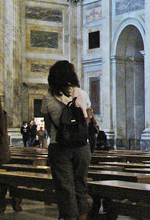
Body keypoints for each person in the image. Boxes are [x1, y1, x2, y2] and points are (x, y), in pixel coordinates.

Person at [42, 60, 92, 220]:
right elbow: (88, 119)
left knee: (65, 188)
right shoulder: (82, 94)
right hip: (82, 146)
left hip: (59, 146)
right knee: (80, 186)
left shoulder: (48, 97)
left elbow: (48, 124)